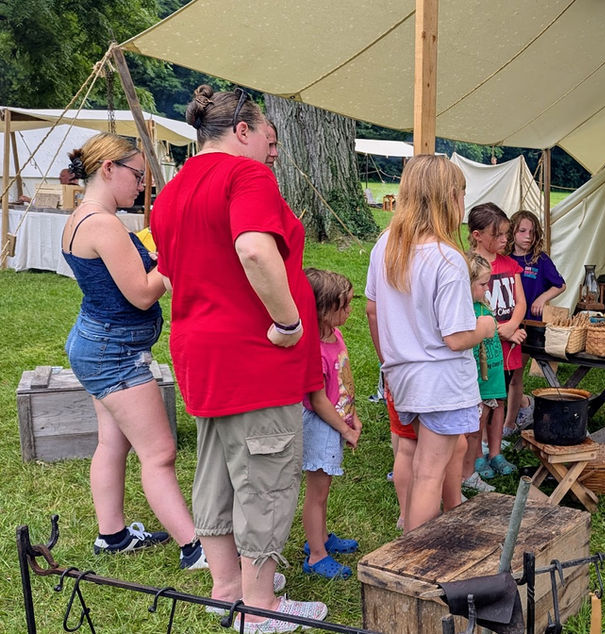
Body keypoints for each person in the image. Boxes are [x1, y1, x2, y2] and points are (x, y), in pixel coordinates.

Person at [151, 85, 327, 631]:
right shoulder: (244, 175)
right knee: (265, 481)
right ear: (243, 131)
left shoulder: (171, 190)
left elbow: (179, 270)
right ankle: (261, 610)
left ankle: (226, 589)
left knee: (218, 475)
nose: (273, 153)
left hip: (201, 355)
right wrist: (290, 321)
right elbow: (253, 248)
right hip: (254, 358)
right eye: (267, 139)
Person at [60, 132, 205, 570]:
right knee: (159, 453)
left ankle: (113, 536)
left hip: (96, 341)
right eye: (138, 174)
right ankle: (195, 547)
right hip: (114, 353)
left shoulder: (82, 217)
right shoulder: (102, 224)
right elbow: (142, 294)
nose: (142, 184)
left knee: (111, 443)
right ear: (109, 169)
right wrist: (176, 255)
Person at [365, 154, 496, 532]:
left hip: (403, 375)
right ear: (449, 197)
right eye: (462, 194)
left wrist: (389, 362)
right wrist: (485, 327)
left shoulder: (386, 244)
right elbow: (455, 337)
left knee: (417, 462)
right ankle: (416, 557)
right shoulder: (447, 257)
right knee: (427, 475)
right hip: (441, 382)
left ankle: (411, 543)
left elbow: (373, 311)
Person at [300, 269, 361, 580]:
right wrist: (345, 428)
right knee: (317, 493)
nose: (350, 311)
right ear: (321, 310)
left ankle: (321, 537)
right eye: (344, 306)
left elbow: (342, 381)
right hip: (321, 426)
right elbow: (318, 398)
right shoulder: (313, 347)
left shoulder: (333, 335)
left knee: (324, 488)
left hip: (335, 423)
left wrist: (353, 416)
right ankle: (315, 554)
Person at [467, 203, 524, 478]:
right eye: (498, 235)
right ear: (477, 235)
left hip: (504, 347)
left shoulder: (509, 264)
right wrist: (501, 329)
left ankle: (496, 451)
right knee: (480, 405)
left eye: (506, 235)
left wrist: (512, 327)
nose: (504, 240)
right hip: (480, 349)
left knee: (498, 400)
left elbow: (520, 301)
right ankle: (476, 455)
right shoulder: (468, 267)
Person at [505, 210, 566, 434]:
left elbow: (560, 284)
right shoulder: (505, 258)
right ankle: (524, 404)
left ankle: (509, 424)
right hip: (504, 325)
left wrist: (542, 297)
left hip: (529, 326)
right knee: (502, 376)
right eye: (522, 231)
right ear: (512, 232)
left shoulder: (539, 260)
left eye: (532, 232)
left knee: (515, 375)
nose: (527, 236)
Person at [461, 252, 507, 493]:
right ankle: (468, 470)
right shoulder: (466, 311)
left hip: (494, 376)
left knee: (485, 417)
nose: (487, 288)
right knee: (473, 427)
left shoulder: (482, 307)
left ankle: (473, 467)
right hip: (479, 381)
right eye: (482, 284)